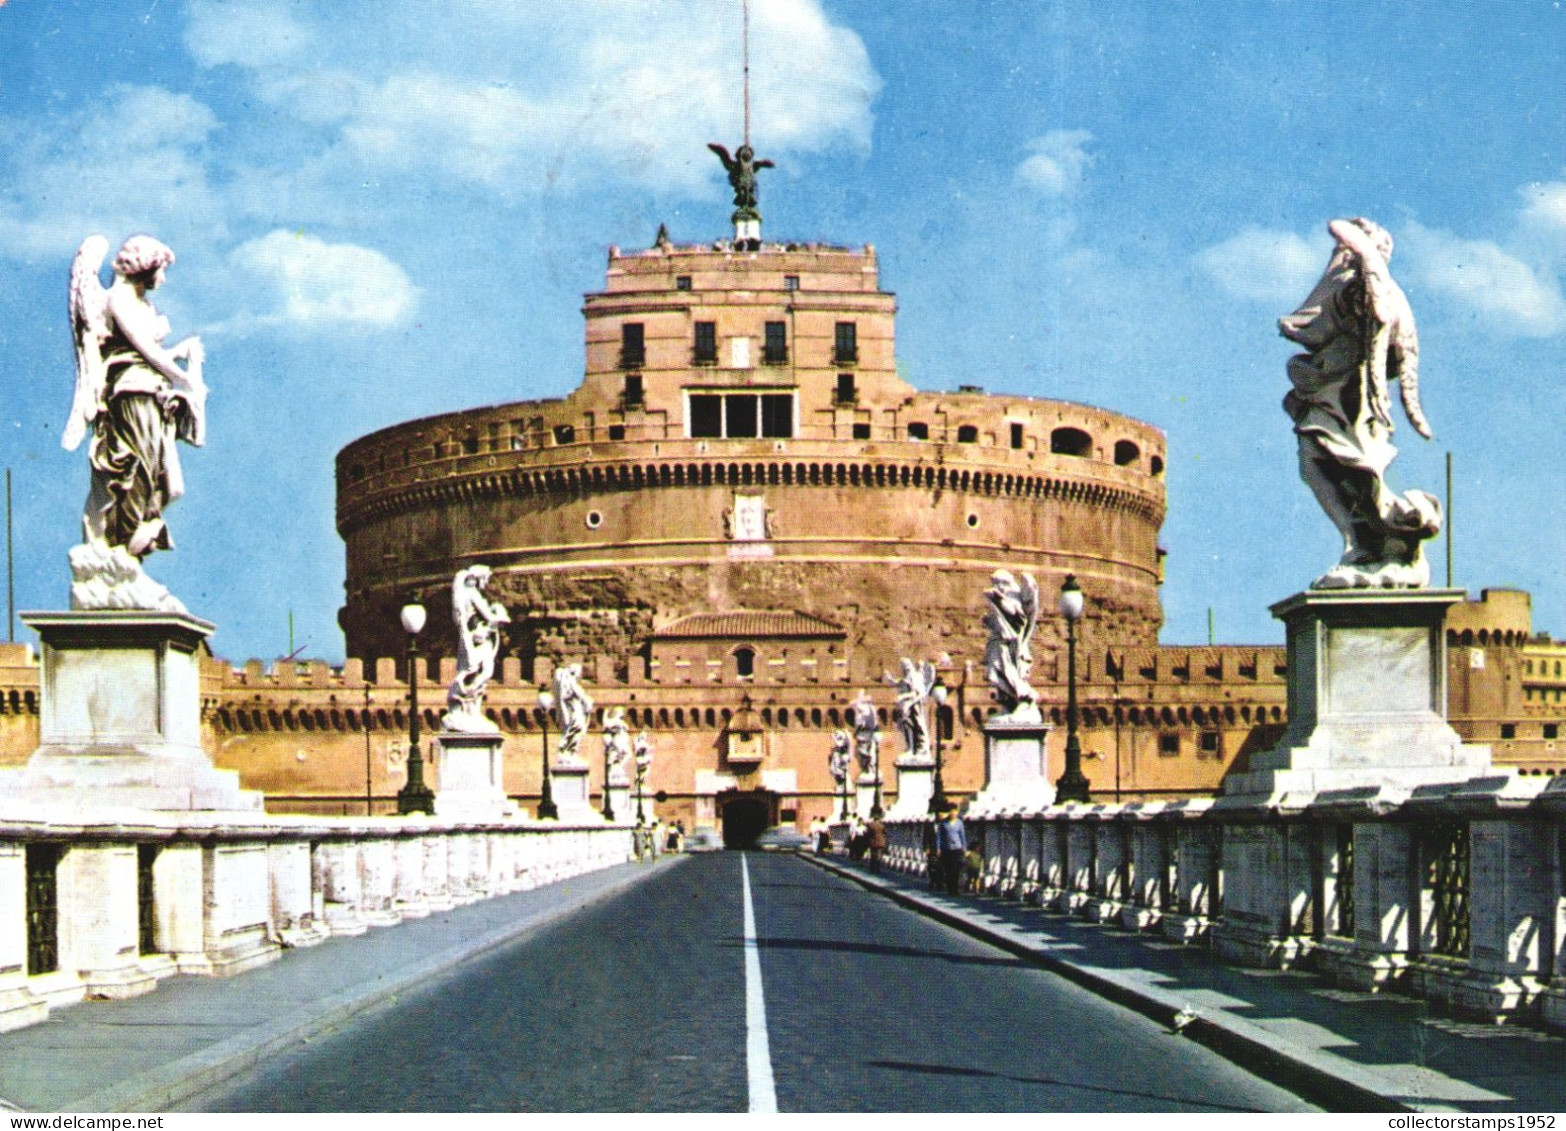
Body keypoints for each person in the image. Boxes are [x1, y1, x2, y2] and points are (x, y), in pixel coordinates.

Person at [1279, 217, 1440, 589]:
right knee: (1314, 462)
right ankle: (1362, 544)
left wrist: (1357, 245)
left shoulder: (1376, 287)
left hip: (1354, 400)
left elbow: (1389, 338)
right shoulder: (1354, 284)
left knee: (1357, 469)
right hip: (1330, 393)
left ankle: (1394, 535)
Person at [66, 234, 207, 559]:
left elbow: (148, 355)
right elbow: (145, 350)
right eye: (162, 269)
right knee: (140, 472)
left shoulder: (142, 303)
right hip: (132, 395)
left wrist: (179, 355)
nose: (163, 277)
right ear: (146, 265)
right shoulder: (117, 299)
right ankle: (122, 544)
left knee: (170, 486)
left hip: (153, 395)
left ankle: (128, 541)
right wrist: (183, 378)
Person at [934, 807, 967, 896]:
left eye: (954, 812)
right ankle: (950, 889)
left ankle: (955, 889)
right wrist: (938, 848)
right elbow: (939, 836)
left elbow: (962, 836)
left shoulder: (959, 823)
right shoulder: (943, 823)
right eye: (951, 812)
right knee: (948, 870)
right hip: (946, 849)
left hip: (957, 848)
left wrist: (964, 848)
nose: (953, 814)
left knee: (956, 869)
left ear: (957, 813)